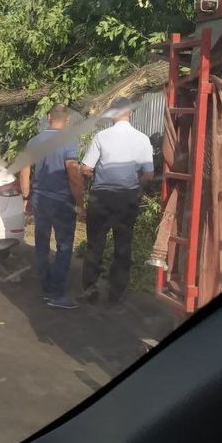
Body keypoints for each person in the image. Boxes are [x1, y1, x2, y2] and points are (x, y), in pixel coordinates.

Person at [80, 97, 154, 304]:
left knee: (95, 245)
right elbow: (149, 174)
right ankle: (116, 293)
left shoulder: (101, 137)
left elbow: (85, 169)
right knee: (123, 245)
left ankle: (90, 289)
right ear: (131, 113)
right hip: (127, 198)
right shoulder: (142, 139)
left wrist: (91, 177)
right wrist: (138, 189)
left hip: (101, 197)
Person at [20, 104, 85, 310]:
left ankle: (46, 288)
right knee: (64, 246)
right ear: (67, 120)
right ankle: (57, 294)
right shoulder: (69, 141)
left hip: (40, 199)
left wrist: (26, 197)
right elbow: (73, 174)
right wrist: (80, 203)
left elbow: (24, 171)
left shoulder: (34, 142)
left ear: (48, 117)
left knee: (41, 244)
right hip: (62, 202)